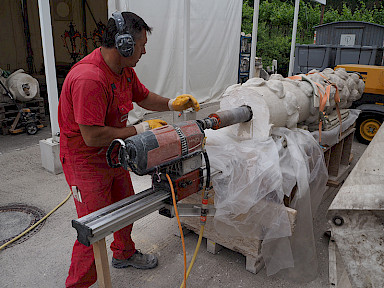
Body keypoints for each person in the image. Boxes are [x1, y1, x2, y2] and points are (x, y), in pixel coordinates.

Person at [58, 11, 200, 288]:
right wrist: (141, 130)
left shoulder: (123, 71)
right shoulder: (90, 79)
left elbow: (143, 96)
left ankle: (124, 253)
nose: (145, 51)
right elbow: (92, 136)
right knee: (94, 228)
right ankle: (77, 285)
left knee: (125, 206)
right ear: (124, 44)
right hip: (85, 160)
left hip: (113, 152)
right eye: (142, 44)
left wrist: (173, 104)